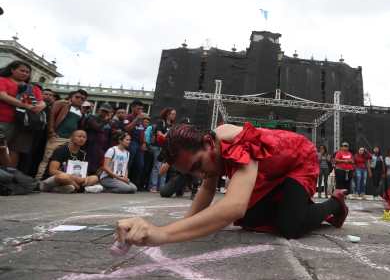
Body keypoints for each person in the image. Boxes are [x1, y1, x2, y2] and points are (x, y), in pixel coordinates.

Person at [115, 122, 349, 246]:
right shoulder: (209, 152)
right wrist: (184, 225)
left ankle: (335, 204)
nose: (199, 175)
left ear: (208, 144)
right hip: (269, 172)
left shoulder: (236, 142)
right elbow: (207, 189)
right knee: (248, 219)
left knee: (290, 227)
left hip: (298, 159)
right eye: (191, 172)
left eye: (197, 166)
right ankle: (289, 204)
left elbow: (233, 206)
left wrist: (162, 234)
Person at [0, 60, 46, 167]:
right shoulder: (3, 80)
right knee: (1, 147)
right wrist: (26, 106)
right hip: (4, 119)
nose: (25, 73)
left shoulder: (33, 87)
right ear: (12, 70)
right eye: (22, 70)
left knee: (15, 150)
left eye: (27, 72)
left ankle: (8, 176)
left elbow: (42, 102)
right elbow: (2, 96)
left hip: (25, 123)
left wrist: (40, 106)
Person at [35, 89, 88, 179]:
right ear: (71, 97)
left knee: (62, 160)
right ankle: (38, 179)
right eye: (77, 97)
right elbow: (51, 116)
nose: (79, 100)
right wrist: (51, 131)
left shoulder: (80, 111)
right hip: (57, 136)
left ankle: (54, 180)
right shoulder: (62, 103)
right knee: (47, 158)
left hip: (70, 139)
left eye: (82, 99)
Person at [146, 108, 176, 192]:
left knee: (165, 167)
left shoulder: (173, 125)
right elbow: (159, 134)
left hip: (167, 148)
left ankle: (162, 186)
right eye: (172, 114)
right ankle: (153, 186)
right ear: (168, 114)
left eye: (175, 114)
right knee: (157, 166)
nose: (174, 116)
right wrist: (168, 134)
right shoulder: (161, 122)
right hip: (158, 147)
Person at [82, 104, 113, 175]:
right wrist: (106, 120)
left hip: (102, 147)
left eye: (106, 112)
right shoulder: (91, 117)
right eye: (103, 111)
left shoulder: (109, 122)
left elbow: (109, 135)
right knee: (88, 165)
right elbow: (97, 127)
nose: (104, 113)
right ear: (98, 110)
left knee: (97, 166)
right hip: (90, 145)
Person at [124, 100, 147, 190]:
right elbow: (126, 128)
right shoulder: (128, 117)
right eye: (138, 108)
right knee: (129, 163)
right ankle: (125, 181)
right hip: (131, 142)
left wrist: (144, 143)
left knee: (140, 165)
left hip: (139, 144)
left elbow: (142, 132)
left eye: (142, 109)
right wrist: (137, 119)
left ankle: (135, 184)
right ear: (132, 108)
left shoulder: (142, 120)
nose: (140, 110)